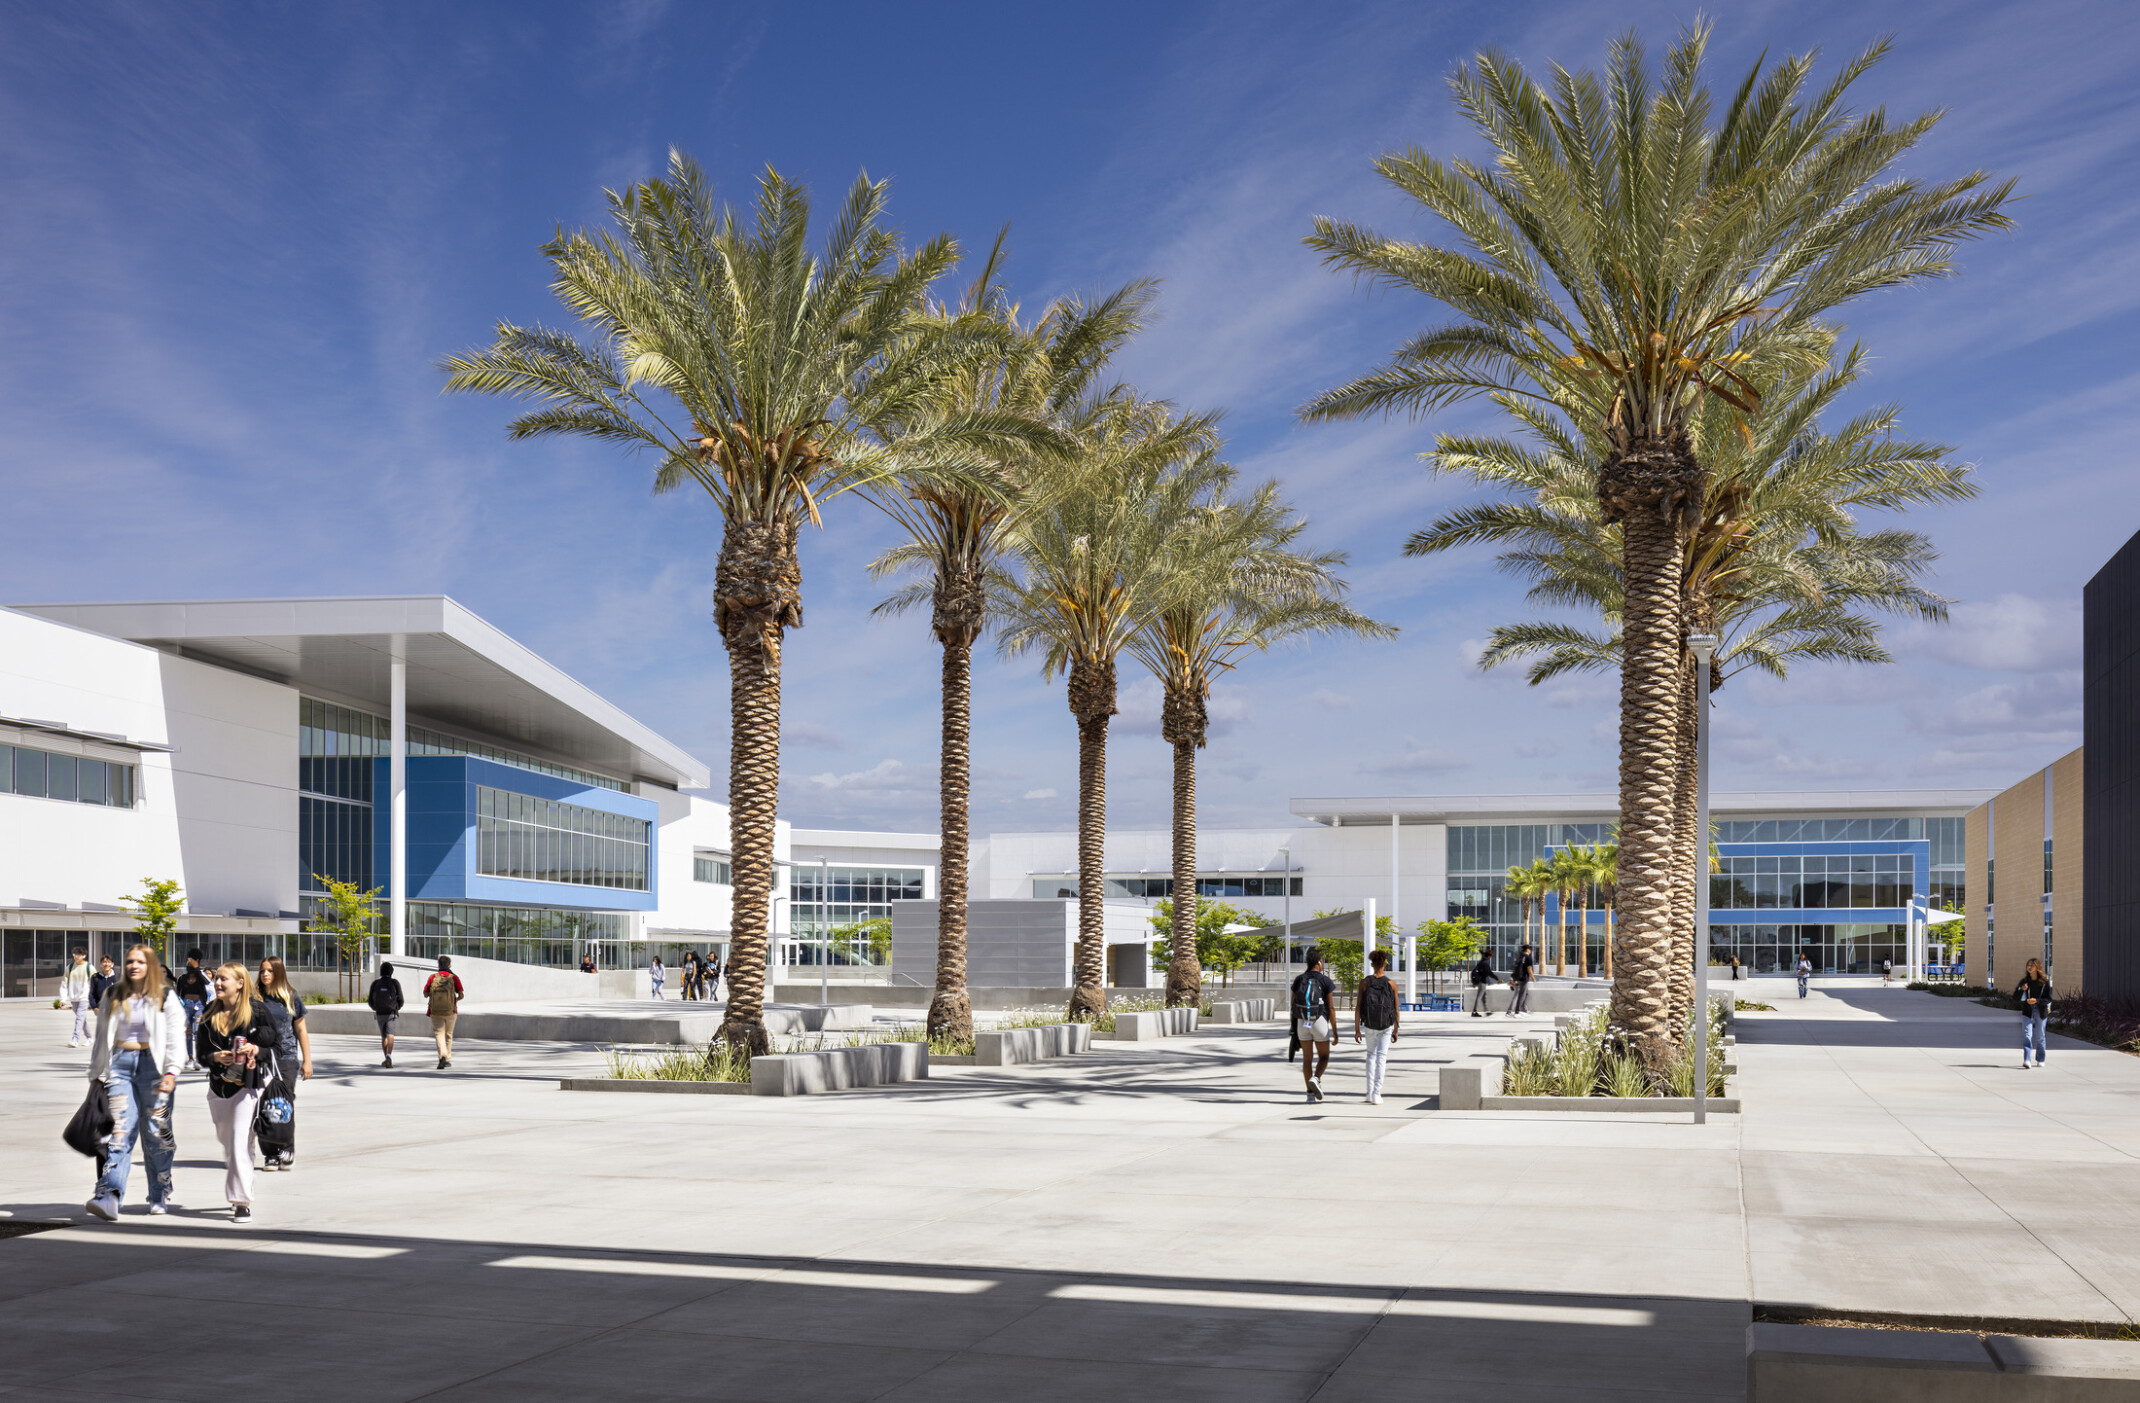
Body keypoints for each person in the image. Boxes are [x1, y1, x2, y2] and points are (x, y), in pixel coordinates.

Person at [83, 944, 186, 1221]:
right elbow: (102, 1037)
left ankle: (160, 1191)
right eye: (130, 961)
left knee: (157, 1133)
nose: (133, 966)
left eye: (140, 961)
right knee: (119, 1132)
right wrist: (96, 1075)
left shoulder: (165, 996)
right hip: (120, 1066)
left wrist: (172, 1072)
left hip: (155, 1068)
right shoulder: (113, 994)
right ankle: (109, 1195)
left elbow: (177, 1036)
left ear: (150, 965)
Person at [197, 961, 278, 1222]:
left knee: (238, 1140)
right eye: (217, 978)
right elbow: (200, 1054)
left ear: (240, 983)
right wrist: (215, 1057)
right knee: (229, 1142)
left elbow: (273, 1044)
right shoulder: (210, 1012)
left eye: (224, 979)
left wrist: (256, 1049)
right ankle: (243, 1181)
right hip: (219, 1088)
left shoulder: (256, 1011)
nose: (218, 983)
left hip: (248, 1086)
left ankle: (241, 1201)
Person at [255, 957, 312, 1170]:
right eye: (262, 971)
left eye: (270, 971)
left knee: (283, 1104)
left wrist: (307, 1061)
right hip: (262, 1057)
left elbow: (301, 1029)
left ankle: (287, 1148)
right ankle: (270, 1153)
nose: (265, 974)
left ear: (278, 973)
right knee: (264, 1105)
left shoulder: (290, 997)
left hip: (286, 1058)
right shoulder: (255, 998)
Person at [1290, 947, 1338, 1103]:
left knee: (1307, 1059)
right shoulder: (1325, 980)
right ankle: (1316, 1078)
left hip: (1302, 1021)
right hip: (1319, 1022)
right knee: (1324, 1056)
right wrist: (1335, 1032)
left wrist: (1293, 1028)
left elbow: (1293, 1004)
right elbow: (1330, 1007)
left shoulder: (1299, 979)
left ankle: (1310, 1095)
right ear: (1319, 962)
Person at [1354, 949, 1401, 1105]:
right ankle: (1376, 1093)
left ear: (1372, 964)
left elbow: (1358, 1007)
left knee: (1370, 1056)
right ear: (1385, 964)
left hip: (1369, 1025)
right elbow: (1396, 1009)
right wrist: (1396, 1029)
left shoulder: (1364, 982)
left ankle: (1368, 1092)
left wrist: (1356, 1030)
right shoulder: (1391, 984)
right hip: (1386, 1026)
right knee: (1381, 1057)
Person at [424, 957, 465, 1069]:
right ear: (449, 965)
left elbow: (425, 993)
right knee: (449, 1035)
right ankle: (446, 1058)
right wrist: (454, 1000)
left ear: (438, 965)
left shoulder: (432, 977)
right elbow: (461, 995)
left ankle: (442, 1056)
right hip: (451, 1011)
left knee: (439, 1033)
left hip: (435, 1011)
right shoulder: (454, 978)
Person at [175, 951, 212, 1069]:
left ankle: (198, 1058)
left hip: (199, 1005)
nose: (190, 966)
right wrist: (182, 1004)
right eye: (188, 964)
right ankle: (190, 1058)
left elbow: (208, 981)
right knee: (188, 1033)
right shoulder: (182, 978)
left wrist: (198, 969)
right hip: (186, 1005)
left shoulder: (201, 977)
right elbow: (179, 994)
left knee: (197, 1030)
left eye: (192, 964)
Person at [2015, 957, 2052, 1069]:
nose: (2029, 967)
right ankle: (2027, 1059)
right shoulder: (2024, 982)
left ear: (2037, 967)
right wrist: (2022, 990)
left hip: (2040, 1011)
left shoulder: (2045, 982)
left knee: (2040, 1036)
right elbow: (2015, 998)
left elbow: (2049, 999)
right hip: (2027, 1011)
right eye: (2028, 965)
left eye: (2032, 965)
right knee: (2027, 1035)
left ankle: (2040, 1059)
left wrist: (2037, 1000)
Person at [367, 961, 404, 1067]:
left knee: (384, 1037)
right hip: (391, 1012)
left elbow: (370, 1001)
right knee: (390, 1035)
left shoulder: (375, 983)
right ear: (391, 972)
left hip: (380, 1013)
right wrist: (396, 1008)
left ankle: (386, 1058)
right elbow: (401, 999)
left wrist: (376, 1008)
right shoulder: (395, 983)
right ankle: (389, 1056)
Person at [62, 948, 93, 1047]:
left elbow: (96, 981)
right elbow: (64, 983)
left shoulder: (89, 967)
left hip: (84, 997)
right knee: (81, 1019)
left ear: (84, 956)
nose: (76, 956)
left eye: (79, 954)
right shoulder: (70, 967)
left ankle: (75, 1039)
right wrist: (63, 999)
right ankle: (89, 1037)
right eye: (75, 954)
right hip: (73, 998)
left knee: (79, 1018)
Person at [1506, 943, 1535, 1016]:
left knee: (1524, 993)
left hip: (1517, 978)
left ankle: (1523, 1009)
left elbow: (1517, 967)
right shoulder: (1528, 957)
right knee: (1521, 995)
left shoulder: (1520, 956)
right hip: (1523, 978)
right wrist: (1533, 977)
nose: (1531, 951)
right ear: (1528, 950)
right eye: (1530, 950)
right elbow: (1529, 968)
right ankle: (1517, 1011)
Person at [1468, 951, 1499, 1017]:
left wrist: (1474, 982)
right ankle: (1474, 1011)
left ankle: (1487, 1011)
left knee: (1484, 997)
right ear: (1489, 956)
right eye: (1491, 956)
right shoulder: (1485, 963)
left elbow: (1476, 971)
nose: (1491, 957)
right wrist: (1497, 979)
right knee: (1479, 997)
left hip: (1480, 981)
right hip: (1482, 982)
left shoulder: (1481, 962)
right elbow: (1489, 973)